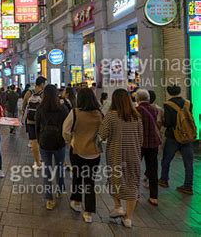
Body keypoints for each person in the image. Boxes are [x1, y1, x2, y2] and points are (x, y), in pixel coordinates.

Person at [98, 89, 143, 228]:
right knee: (132, 183)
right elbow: (141, 138)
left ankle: (118, 206)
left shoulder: (111, 116)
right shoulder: (137, 117)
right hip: (134, 155)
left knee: (115, 179)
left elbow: (102, 134)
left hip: (116, 154)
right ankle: (128, 218)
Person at [62, 88, 103, 223]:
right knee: (90, 181)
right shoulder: (99, 114)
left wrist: (71, 141)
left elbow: (65, 131)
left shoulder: (75, 113)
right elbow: (103, 133)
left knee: (77, 177)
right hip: (94, 153)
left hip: (77, 150)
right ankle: (88, 213)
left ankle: (77, 202)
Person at [35, 84, 69, 211]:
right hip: (59, 143)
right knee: (59, 167)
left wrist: (39, 140)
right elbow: (66, 128)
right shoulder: (63, 109)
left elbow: (37, 127)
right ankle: (60, 190)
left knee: (47, 171)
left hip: (44, 143)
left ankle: (49, 199)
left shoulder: (40, 108)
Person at [159, 85, 194, 195]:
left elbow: (168, 122)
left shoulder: (168, 105)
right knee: (188, 163)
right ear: (179, 91)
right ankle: (188, 186)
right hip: (187, 137)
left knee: (166, 159)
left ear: (169, 92)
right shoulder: (188, 103)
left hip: (173, 137)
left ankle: (164, 180)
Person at [135, 89, 161, 206]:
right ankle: (154, 197)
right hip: (153, 143)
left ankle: (135, 194)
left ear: (138, 99)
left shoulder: (136, 110)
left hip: (139, 143)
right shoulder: (155, 109)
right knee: (153, 169)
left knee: (135, 169)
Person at [22, 76, 46, 170]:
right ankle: (43, 159)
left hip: (30, 120)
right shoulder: (44, 94)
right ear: (42, 84)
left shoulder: (29, 92)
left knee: (33, 141)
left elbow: (24, 105)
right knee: (41, 140)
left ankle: (37, 162)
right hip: (41, 121)